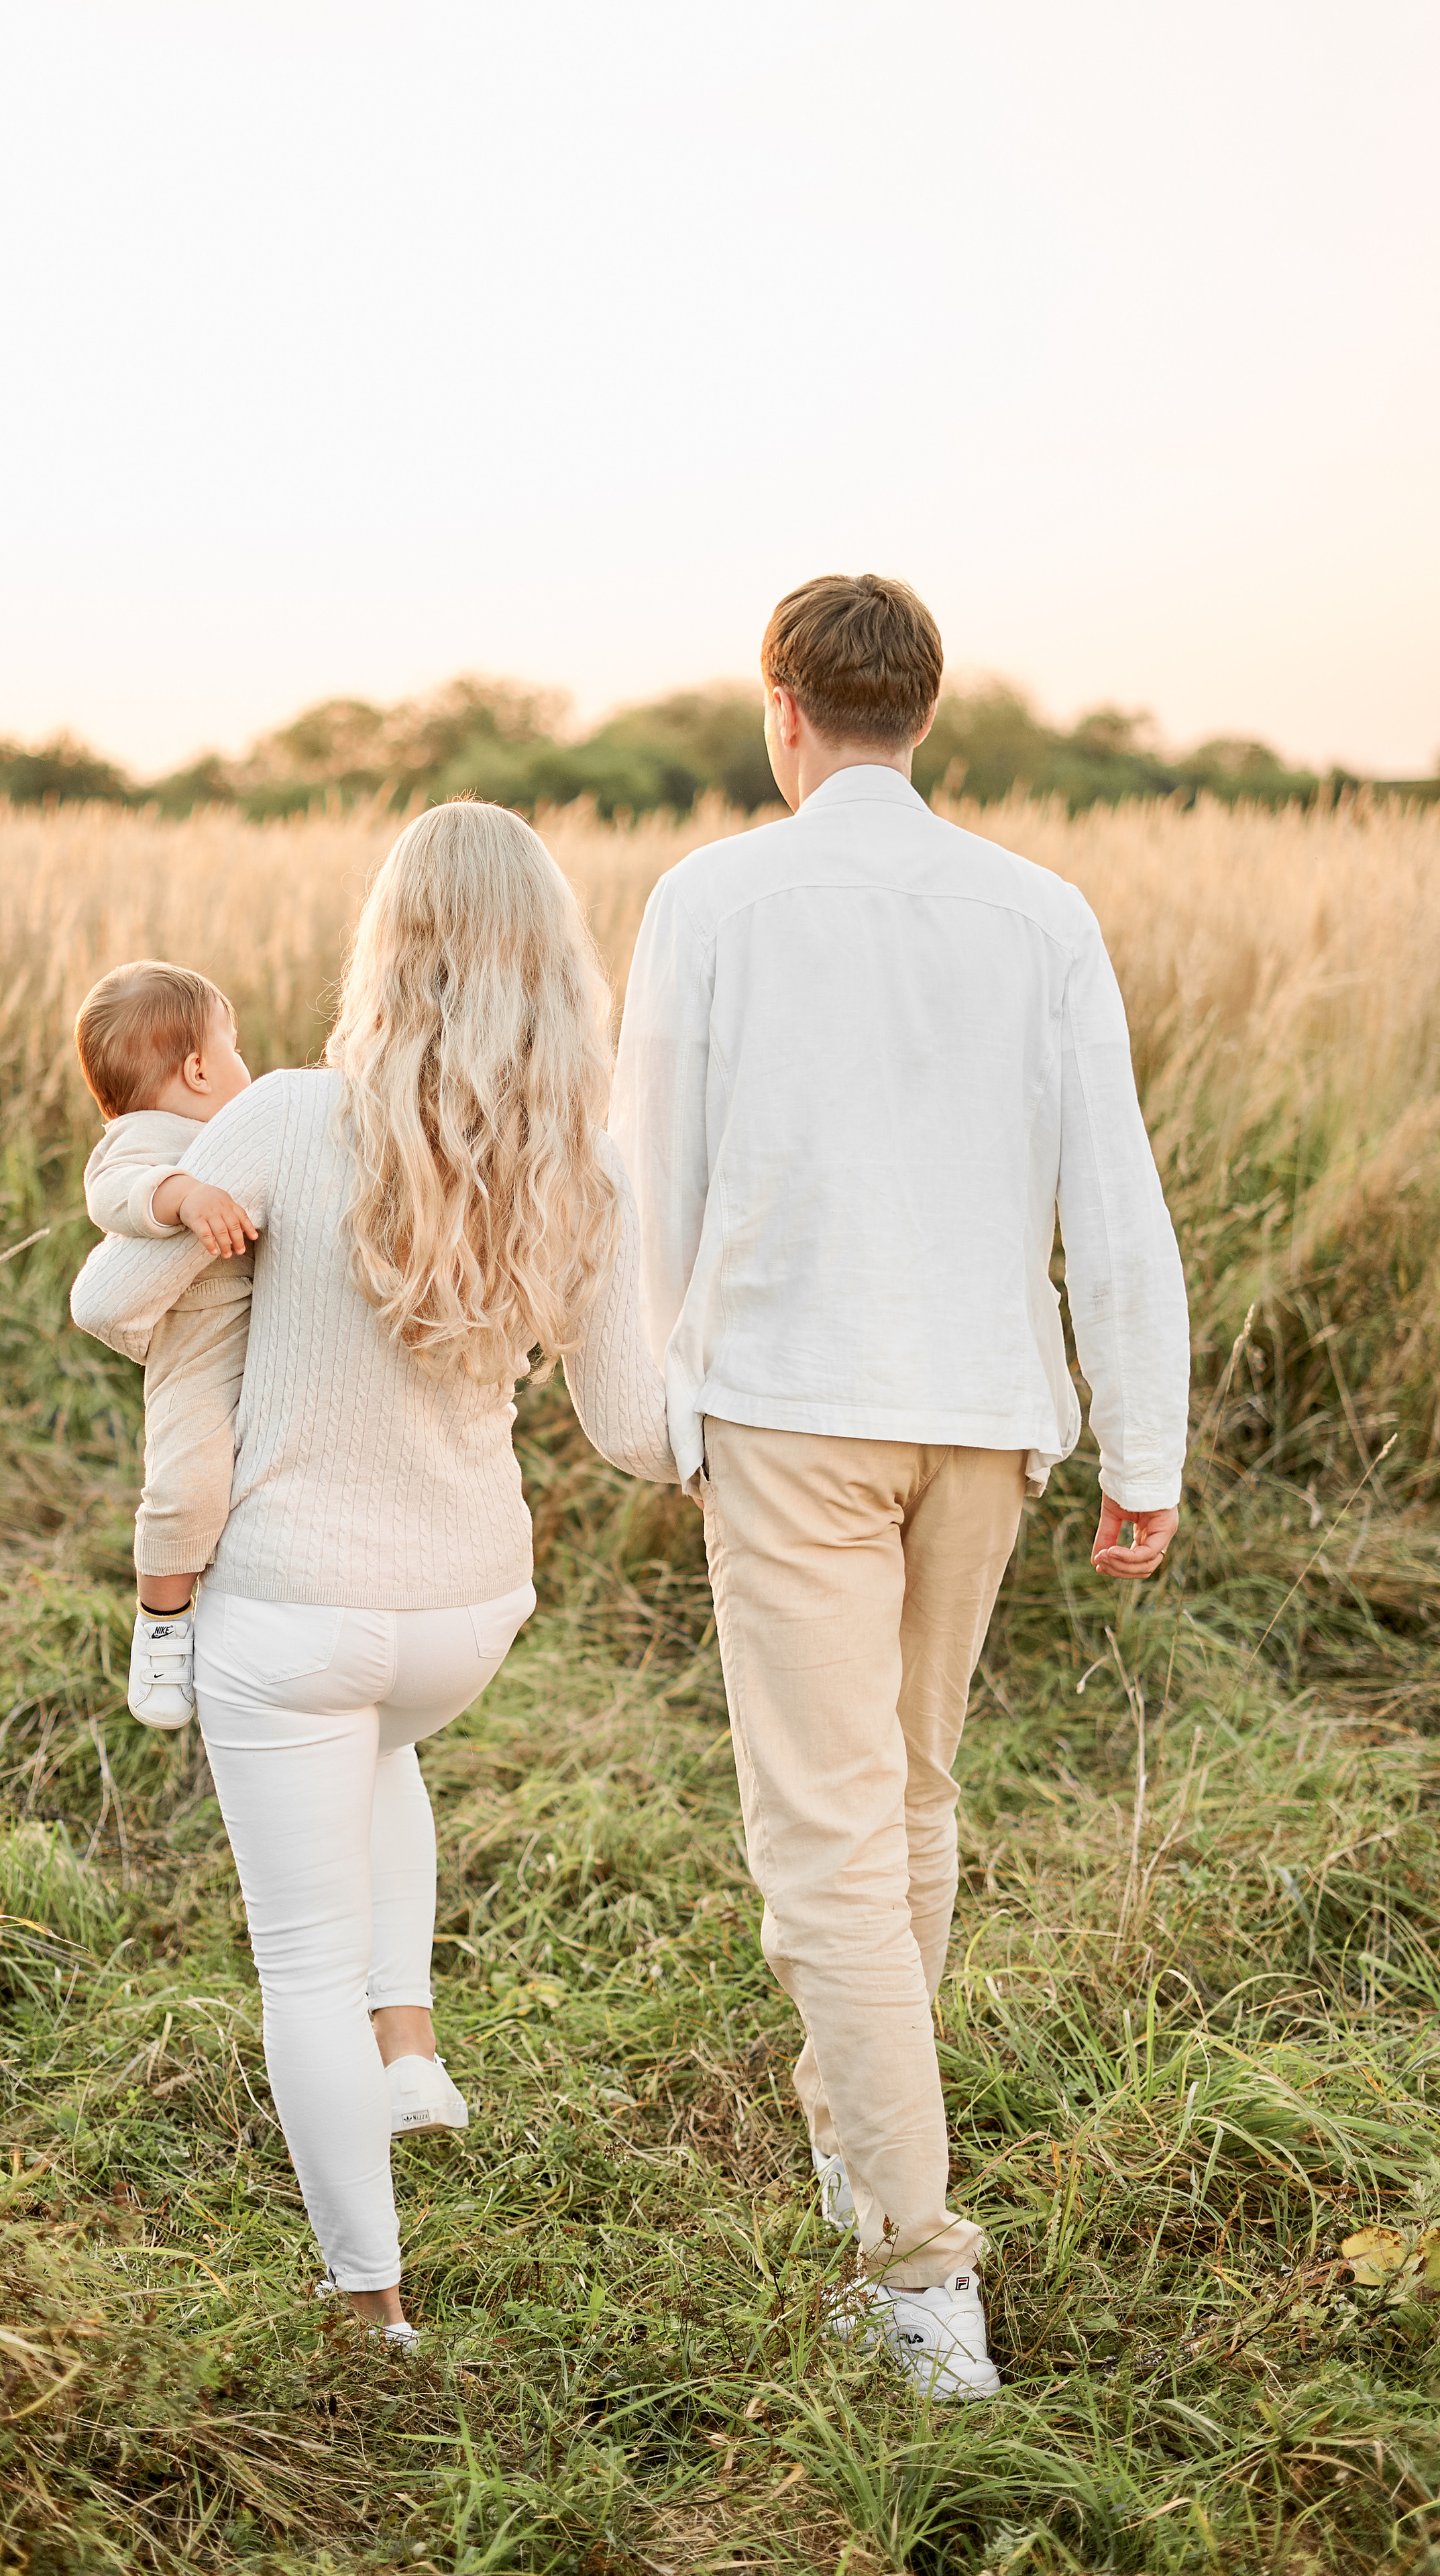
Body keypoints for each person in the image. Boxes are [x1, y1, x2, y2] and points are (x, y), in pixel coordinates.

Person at [609, 574, 1190, 2400]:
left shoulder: (711, 897)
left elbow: (657, 1178)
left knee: (828, 1836)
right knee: (908, 1795)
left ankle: (919, 2265)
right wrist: (1143, 1440)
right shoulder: (1042, 913)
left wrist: (660, 1416)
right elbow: (1115, 1192)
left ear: (783, 706)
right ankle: (876, 2148)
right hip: (987, 1413)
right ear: (920, 713)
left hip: (797, 1400)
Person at [70, 802, 675, 2347]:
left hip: (289, 1608)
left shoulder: (281, 1114)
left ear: (383, 944)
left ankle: (368, 2303)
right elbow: (629, 1433)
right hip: (464, 1614)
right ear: (549, 961)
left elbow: (109, 1300)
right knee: (382, 1741)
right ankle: (409, 2042)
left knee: (296, 1964)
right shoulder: (586, 1158)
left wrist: (191, 1217)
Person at [74, 961, 263, 1729]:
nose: (245, 1063)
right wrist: (184, 1197)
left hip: (260, 1332)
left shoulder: (240, 1129)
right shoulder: (145, 1137)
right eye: (235, 1046)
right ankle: (161, 1626)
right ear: (196, 1069)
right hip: (198, 1341)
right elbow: (110, 1192)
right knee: (186, 1482)